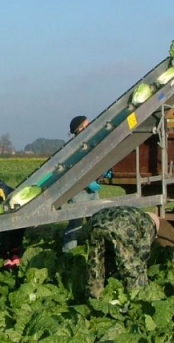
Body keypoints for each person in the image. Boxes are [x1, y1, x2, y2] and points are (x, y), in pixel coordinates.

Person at [81, 206, 160, 299]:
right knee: (134, 266)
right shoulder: (148, 224)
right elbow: (142, 256)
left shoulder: (135, 213)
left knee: (95, 261)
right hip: (120, 226)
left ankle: (93, 296)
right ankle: (137, 300)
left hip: (95, 222)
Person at [62, 115, 102, 252]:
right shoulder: (75, 148)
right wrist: (86, 181)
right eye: (87, 124)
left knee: (97, 222)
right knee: (75, 225)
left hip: (91, 192)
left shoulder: (89, 143)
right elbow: (72, 170)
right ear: (80, 129)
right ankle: (68, 253)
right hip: (78, 192)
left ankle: (96, 250)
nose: (90, 126)